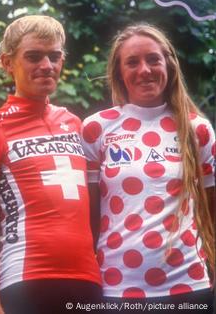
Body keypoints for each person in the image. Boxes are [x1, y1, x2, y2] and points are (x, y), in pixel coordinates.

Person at [0, 15, 102, 314]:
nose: (46, 65)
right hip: (24, 279)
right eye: (33, 56)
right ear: (7, 62)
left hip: (88, 281)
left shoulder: (76, 124)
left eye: (54, 56)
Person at [81, 24, 214, 312]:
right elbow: (88, 216)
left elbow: (213, 212)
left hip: (190, 286)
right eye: (132, 62)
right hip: (116, 288)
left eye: (153, 59)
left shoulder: (198, 129)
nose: (144, 70)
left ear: (169, 64)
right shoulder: (95, 128)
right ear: (119, 72)